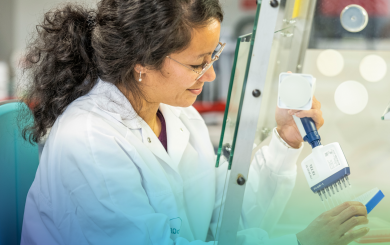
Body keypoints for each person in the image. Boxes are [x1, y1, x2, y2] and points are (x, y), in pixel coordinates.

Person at [20, 1, 369, 244]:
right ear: (140, 61)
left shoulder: (178, 115)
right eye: (197, 63)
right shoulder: (89, 143)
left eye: (213, 55)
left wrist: (285, 140)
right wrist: (297, 242)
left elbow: (223, 217)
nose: (212, 73)